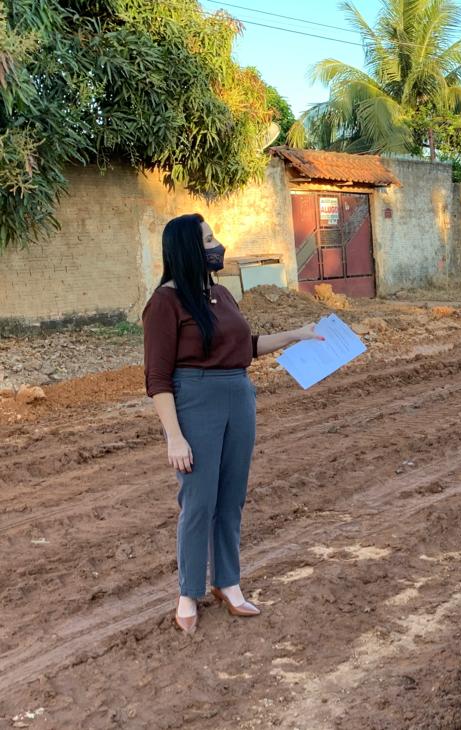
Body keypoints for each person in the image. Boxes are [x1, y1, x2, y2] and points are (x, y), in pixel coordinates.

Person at [143, 213, 323, 634]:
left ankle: (228, 583)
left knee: (231, 501)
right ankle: (189, 592)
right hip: (195, 401)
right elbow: (157, 378)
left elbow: (248, 346)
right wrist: (174, 437)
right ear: (189, 248)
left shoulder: (222, 294)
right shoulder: (164, 303)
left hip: (238, 396)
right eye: (208, 239)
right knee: (198, 503)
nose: (217, 245)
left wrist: (298, 334)